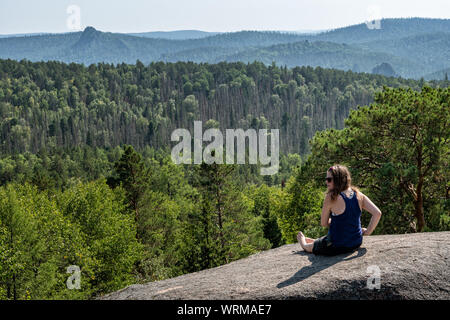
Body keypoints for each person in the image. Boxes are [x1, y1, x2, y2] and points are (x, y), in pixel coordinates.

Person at [297, 164, 382, 256]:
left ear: (338, 180)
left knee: (310, 246)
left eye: (329, 179)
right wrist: (367, 231)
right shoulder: (358, 195)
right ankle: (315, 241)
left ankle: (304, 243)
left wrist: (336, 222)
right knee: (322, 241)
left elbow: (324, 223)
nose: (326, 182)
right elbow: (377, 213)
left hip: (337, 246)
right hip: (356, 242)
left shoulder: (331, 197)